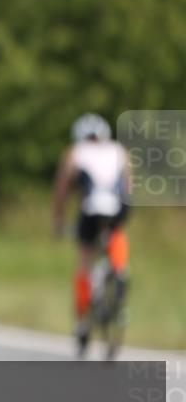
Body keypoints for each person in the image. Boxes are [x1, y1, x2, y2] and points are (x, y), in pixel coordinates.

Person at [52, 113, 130, 357]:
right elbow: (129, 186)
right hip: (118, 208)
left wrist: (58, 219)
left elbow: (62, 190)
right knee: (116, 235)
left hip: (91, 209)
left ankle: (82, 321)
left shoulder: (75, 152)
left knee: (84, 260)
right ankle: (120, 272)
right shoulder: (119, 150)